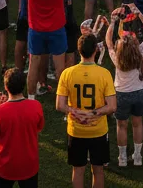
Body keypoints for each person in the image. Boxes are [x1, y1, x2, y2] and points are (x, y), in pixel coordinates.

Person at [56, 32, 117, 188]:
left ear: (78, 50)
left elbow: (60, 105)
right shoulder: (104, 74)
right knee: (98, 170)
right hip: (98, 130)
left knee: (78, 170)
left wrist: (74, 111)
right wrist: (93, 113)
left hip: (76, 130)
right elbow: (112, 106)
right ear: (96, 50)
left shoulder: (67, 73)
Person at [107, 4, 143, 168]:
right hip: (140, 92)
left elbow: (108, 41)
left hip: (122, 93)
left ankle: (122, 158)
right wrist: (139, 13)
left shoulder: (117, 57)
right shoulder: (142, 51)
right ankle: (137, 157)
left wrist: (113, 22)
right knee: (137, 123)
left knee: (121, 125)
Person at [0, 68, 44, 188]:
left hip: (5, 166)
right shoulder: (36, 106)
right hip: (29, 165)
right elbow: (39, 128)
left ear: (6, 87)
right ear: (23, 86)